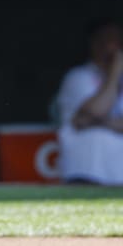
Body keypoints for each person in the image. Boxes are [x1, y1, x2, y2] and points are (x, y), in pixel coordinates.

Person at [54, 18, 123, 185]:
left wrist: (99, 122)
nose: (113, 46)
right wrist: (114, 74)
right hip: (87, 170)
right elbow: (95, 111)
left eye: (118, 40)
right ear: (94, 43)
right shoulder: (78, 77)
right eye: (107, 39)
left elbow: (90, 119)